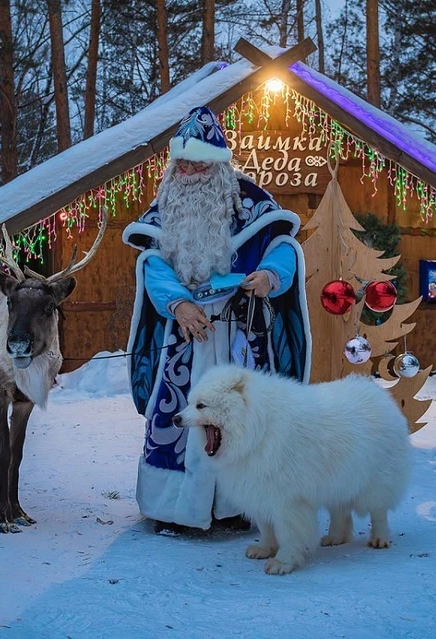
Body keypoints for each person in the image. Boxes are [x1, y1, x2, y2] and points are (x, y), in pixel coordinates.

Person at [123, 106, 312, 533]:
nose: (186, 170)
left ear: (218, 164)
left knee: (245, 419)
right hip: (187, 338)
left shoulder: (251, 205)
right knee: (182, 418)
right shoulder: (165, 207)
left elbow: (283, 247)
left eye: (196, 161)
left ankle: (239, 507)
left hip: (241, 334)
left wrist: (270, 276)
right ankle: (177, 509)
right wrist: (179, 305)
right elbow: (154, 264)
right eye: (181, 162)